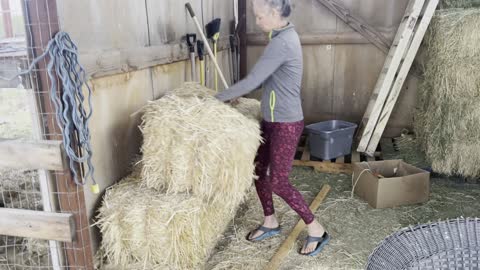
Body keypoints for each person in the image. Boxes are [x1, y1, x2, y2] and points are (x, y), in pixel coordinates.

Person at [215, 0, 329, 256]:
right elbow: (266, 78)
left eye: (259, 16)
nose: (257, 21)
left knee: (278, 181)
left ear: (276, 12)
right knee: (258, 171)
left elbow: (254, 78)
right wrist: (237, 94)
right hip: (271, 119)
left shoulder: (283, 42)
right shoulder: (280, 35)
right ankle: (270, 221)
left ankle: (315, 228)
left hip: (286, 123)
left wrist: (215, 100)